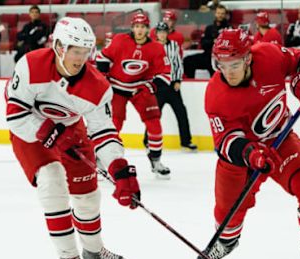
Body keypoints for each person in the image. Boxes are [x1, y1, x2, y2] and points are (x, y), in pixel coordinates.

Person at [5, 17, 141, 259]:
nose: (80, 58)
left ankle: (93, 250)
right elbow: (16, 115)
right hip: (30, 128)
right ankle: (69, 258)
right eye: (74, 50)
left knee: (88, 195)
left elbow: (104, 131)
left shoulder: (98, 86)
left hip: (69, 128)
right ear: (58, 46)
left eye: (85, 51)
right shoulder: (31, 64)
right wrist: (47, 131)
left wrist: (119, 168)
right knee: (52, 179)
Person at [202, 28, 300, 259]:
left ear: (248, 58)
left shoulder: (268, 54)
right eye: (221, 64)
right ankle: (225, 241)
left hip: (280, 139)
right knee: (228, 214)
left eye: (234, 63)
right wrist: (251, 154)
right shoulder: (215, 94)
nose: (228, 71)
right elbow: (225, 143)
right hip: (241, 158)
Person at [96, 13, 172, 179]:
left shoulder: (156, 48)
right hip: (117, 88)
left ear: (147, 29)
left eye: (143, 27)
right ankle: (104, 159)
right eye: (137, 26)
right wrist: (103, 77)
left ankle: (156, 160)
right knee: (115, 125)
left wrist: (149, 86)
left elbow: (166, 73)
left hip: (141, 89)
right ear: (132, 27)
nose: (139, 30)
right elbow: (102, 56)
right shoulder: (120, 40)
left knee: (155, 126)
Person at [145, 22, 197, 152]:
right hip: (158, 85)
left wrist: (178, 80)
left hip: (172, 86)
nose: (162, 34)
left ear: (167, 33)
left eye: (164, 32)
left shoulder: (173, 45)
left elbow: (178, 64)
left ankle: (186, 141)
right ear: (156, 33)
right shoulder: (150, 46)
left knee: (181, 113)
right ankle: (147, 140)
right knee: (154, 115)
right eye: (160, 32)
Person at [183, 5, 230, 78]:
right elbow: (203, 43)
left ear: (225, 15)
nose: (220, 15)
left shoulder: (229, 29)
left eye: (222, 13)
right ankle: (190, 83)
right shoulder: (210, 28)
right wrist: (213, 41)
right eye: (218, 13)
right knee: (188, 60)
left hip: (222, 58)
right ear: (215, 13)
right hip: (208, 56)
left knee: (217, 72)